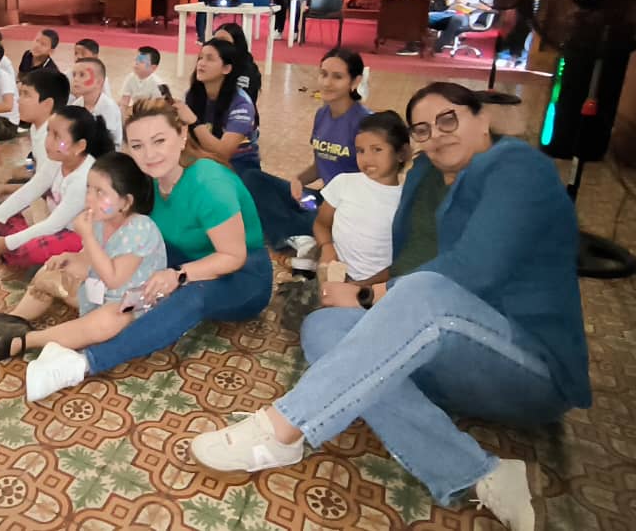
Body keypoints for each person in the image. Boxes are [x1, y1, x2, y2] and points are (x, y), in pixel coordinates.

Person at [188, 82, 591, 531]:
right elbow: (405, 259)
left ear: (482, 118)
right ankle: (480, 473)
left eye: (449, 119)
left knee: (424, 291)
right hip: (446, 356)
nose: (437, 135)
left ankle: (284, 429)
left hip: (529, 367)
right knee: (324, 328)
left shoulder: (517, 168)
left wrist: (367, 295)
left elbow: (469, 272)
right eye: (423, 129)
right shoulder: (424, 175)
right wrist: (354, 281)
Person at [22, 99, 273, 401]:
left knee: (191, 296)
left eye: (159, 141)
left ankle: (82, 364)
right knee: (134, 274)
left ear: (182, 136)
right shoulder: (148, 183)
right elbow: (121, 234)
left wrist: (178, 275)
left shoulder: (209, 183)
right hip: (184, 256)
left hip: (244, 275)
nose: (149, 155)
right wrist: (81, 257)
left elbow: (234, 257)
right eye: (138, 146)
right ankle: (59, 322)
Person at [0, 154, 169, 390]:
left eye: (100, 192)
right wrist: (69, 258)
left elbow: (114, 278)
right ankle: (16, 319)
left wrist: (86, 236)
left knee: (107, 320)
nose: (90, 198)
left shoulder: (140, 227)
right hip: (101, 293)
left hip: (135, 304)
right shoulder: (100, 221)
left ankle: (26, 340)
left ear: (126, 202)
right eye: (89, 189)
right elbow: (89, 259)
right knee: (50, 272)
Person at [241, 48, 369, 270]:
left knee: (310, 218)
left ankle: (300, 236)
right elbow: (322, 163)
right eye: (323, 74)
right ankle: (300, 238)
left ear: (355, 81)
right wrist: (299, 179)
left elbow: (374, 178)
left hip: (345, 209)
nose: (327, 82)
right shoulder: (322, 115)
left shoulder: (365, 123)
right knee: (252, 179)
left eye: (337, 77)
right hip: (319, 198)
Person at [0, 106, 113, 267]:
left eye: (57, 136)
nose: (48, 141)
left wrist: (6, 243)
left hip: (78, 235)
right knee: (10, 216)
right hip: (53, 222)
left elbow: (53, 225)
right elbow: (31, 189)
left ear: (79, 146)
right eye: (48, 132)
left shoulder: (84, 178)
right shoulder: (57, 159)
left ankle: (1, 246)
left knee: (35, 249)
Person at [313, 112, 409, 287]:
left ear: (401, 153)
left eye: (377, 150)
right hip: (336, 276)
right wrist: (327, 248)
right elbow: (321, 224)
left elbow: (402, 262)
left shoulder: (405, 202)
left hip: (376, 287)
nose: (367, 159)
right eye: (360, 151)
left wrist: (361, 287)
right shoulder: (344, 183)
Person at [0, 68, 70, 207]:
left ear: (47, 104)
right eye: (20, 94)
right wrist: (12, 173)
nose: (19, 101)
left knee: (5, 201)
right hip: (45, 187)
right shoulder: (37, 127)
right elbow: (34, 164)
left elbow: (45, 189)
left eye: (26, 94)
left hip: (57, 198)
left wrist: (4, 188)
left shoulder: (53, 138)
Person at [176, 40, 258, 175]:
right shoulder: (193, 95)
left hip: (238, 166)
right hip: (203, 159)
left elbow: (223, 153)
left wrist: (193, 121)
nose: (201, 63)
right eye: (200, 58)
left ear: (226, 69)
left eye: (210, 59)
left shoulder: (242, 105)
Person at [398, 0, 495, 56]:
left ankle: (439, 45)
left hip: (466, 16)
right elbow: (448, 3)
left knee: (456, 18)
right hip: (448, 13)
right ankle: (413, 46)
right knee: (418, 16)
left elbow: (487, 8)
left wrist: (467, 3)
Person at [69, 57, 123, 148]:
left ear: (99, 82)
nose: (75, 79)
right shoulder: (75, 105)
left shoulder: (109, 108)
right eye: (74, 75)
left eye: (82, 75)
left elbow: (106, 142)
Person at [213, 22, 261, 104]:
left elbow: (241, 101)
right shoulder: (210, 63)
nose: (218, 45)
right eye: (215, 41)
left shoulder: (246, 71)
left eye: (224, 41)